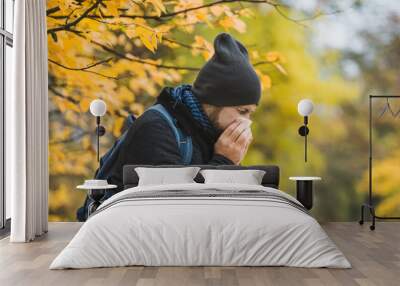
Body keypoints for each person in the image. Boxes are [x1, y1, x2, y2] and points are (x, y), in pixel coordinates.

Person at [77, 32, 262, 221]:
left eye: (250, 113)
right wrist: (224, 162)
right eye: (242, 111)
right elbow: (179, 211)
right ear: (215, 101)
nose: (247, 122)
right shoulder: (155, 129)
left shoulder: (211, 134)